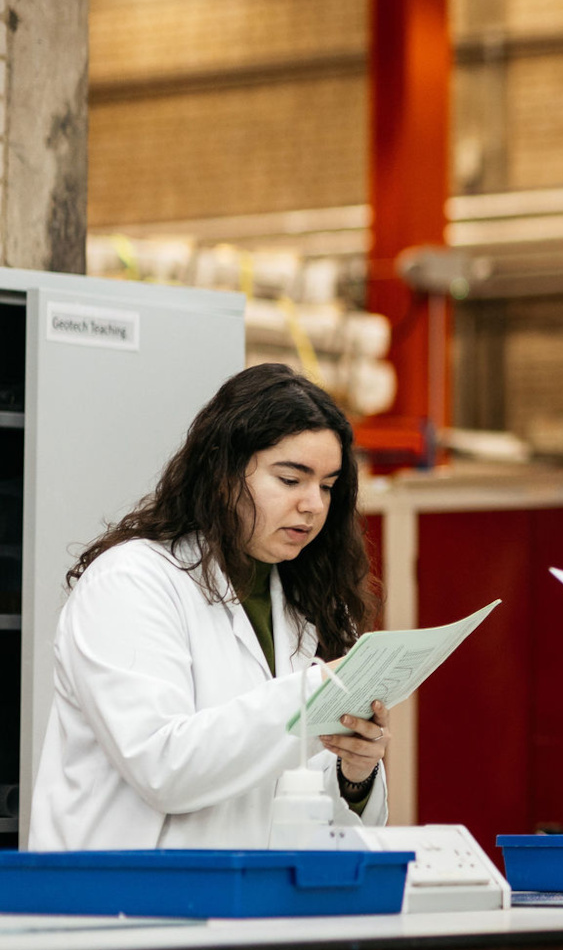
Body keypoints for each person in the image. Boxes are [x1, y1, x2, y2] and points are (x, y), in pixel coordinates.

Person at [29, 364, 392, 851]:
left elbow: (302, 806)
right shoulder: (132, 582)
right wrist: (312, 697)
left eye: (326, 486)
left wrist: (355, 774)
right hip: (124, 911)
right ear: (222, 474)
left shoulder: (312, 602)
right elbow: (163, 768)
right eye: (290, 479)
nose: (313, 505)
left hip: (254, 909)